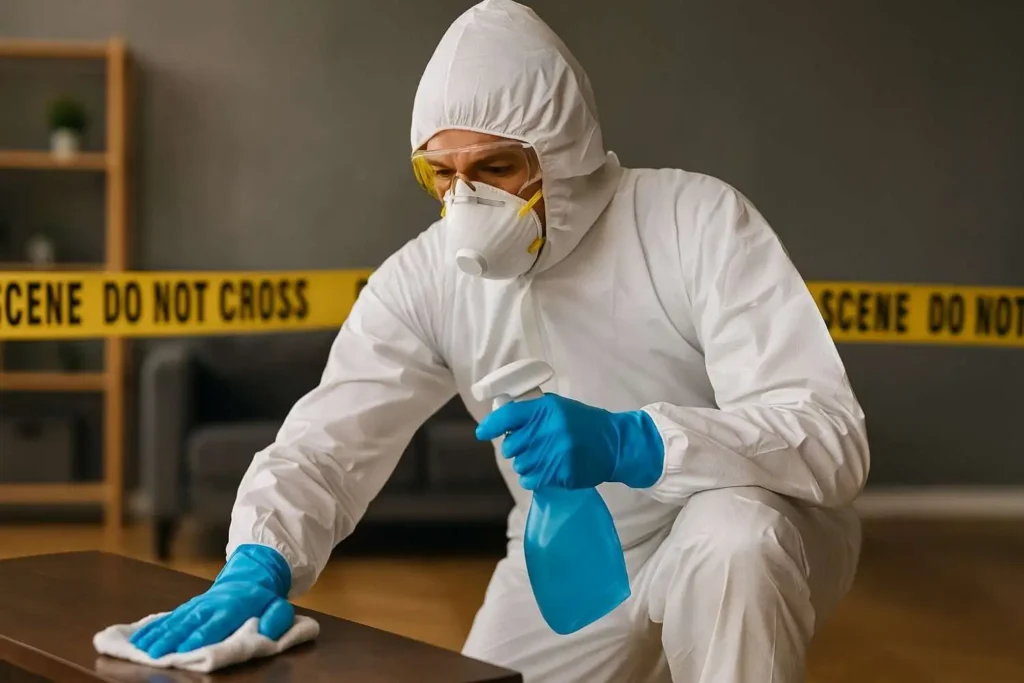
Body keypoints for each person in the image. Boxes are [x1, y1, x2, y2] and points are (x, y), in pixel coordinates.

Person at [131, 1, 869, 681]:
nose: (467, 200)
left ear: (563, 153)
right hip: (570, 558)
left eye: (495, 168)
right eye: (443, 174)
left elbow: (830, 437)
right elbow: (328, 441)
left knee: (732, 535)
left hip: (747, 533)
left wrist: (636, 441)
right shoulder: (425, 278)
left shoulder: (692, 222)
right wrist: (259, 556)